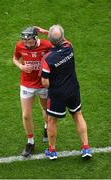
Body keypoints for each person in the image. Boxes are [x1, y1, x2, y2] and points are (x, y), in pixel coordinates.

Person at [41, 25, 92, 160]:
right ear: (62, 38)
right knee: (78, 115)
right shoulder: (69, 47)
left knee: (52, 120)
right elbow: (63, 40)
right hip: (73, 90)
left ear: (50, 41)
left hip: (57, 94)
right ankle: (86, 147)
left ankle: (52, 150)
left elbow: (45, 83)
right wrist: (47, 32)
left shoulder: (47, 58)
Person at [13, 26, 52, 157]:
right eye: (25, 42)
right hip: (26, 84)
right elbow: (15, 58)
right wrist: (21, 67)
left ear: (36, 38)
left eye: (30, 42)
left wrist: (47, 32)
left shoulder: (46, 45)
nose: (27, 45)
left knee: (46, 109)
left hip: (43, 83)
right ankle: (30, 141)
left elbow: (65, 47)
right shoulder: (20, 46)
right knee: (26, 115)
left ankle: (47, 126)